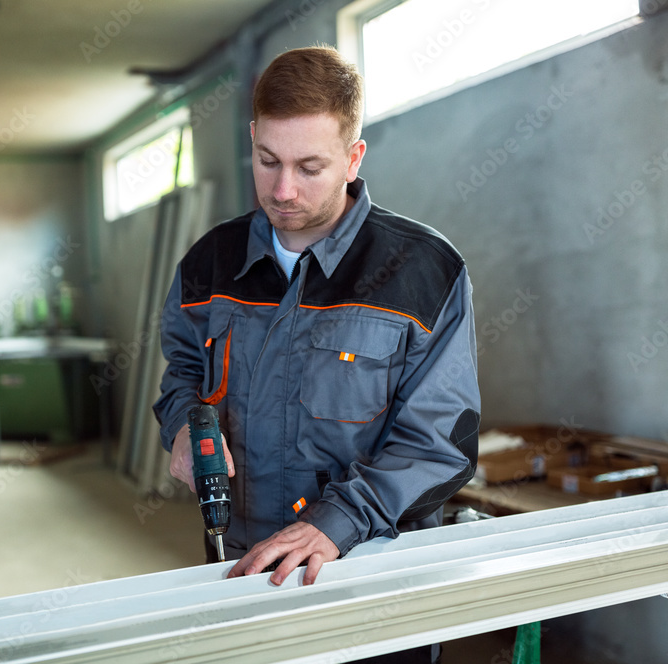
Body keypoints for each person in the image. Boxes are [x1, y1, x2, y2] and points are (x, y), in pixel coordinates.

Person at [154, 43, 479, 602]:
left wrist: (340, 521)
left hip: (374, 573)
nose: (282, 191)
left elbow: (438, 444)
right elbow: (183, 369)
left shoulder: (424, 271)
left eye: (309, 168)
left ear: (354, 158)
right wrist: (185, 426)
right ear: (252, 138)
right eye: (267, 160)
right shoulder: (209, 263)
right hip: (241, 568)